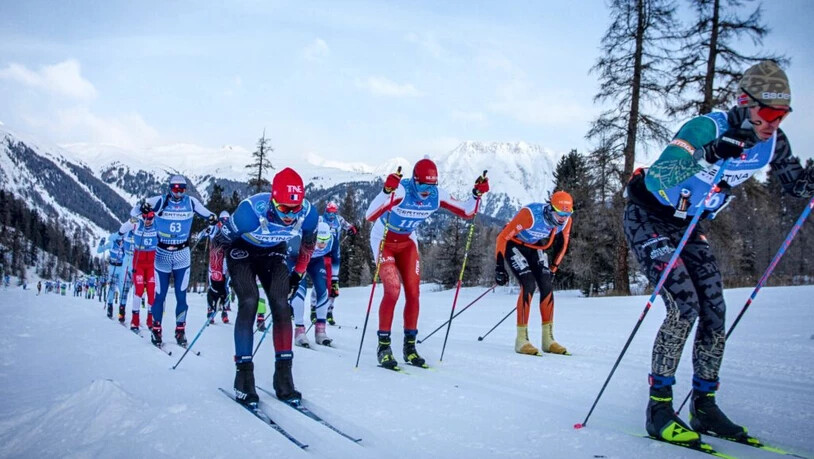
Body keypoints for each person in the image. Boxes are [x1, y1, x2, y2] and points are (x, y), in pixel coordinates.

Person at [623, 61, 814, 445]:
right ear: (745, 103)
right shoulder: (706, 127)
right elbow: (660, 175)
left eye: (783, 114)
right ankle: (659, 410)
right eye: (767, 113)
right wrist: (709, 153)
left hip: (690, 223)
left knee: (715, 309)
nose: (773, 122)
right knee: (684, 306)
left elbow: (796, 186)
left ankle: (704, 406)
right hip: (648, 215)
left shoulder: (775, 142)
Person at [364, 158, 489, 369]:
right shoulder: (402, 192)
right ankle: (383, 346)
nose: (426, 191)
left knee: (413, 293)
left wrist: (477, 194)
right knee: (393, 290)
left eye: (431, 186)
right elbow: (369, 216)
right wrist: (386, 191)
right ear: (414, 181)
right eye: (422, 185)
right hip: (383, 239)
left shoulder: (436, 195)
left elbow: (467, 212)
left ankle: (410, 348)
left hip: (407, 242)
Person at [215, 167, 318, 405]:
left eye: (296, 209)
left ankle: (283, 377)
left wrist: (299, 274)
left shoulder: (309, 213)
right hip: (242, 250)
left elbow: (308, 243)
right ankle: (243, 377)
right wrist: (216, 281)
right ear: (273, 201)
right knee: (249, 301)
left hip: (273, 252)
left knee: (282, 305)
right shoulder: (249, 213)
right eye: (283, 209)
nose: (290, 216)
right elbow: (219, 243)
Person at [132, 175, 215, 347]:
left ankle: (180, 330)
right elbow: (134, 212)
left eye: (182, 189)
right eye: (175, 188)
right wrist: (142, 207)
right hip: (162, 254)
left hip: (182, 255)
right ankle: (156, 329)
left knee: (181, 296)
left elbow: (208, 214)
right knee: (159, 296)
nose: (178, 193)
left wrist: (213, 218)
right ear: (169, 188)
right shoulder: (160, 201)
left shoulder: (191, 202)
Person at [494, 191, 573, 356]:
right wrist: (499, 267)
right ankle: (521, 340)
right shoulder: (530, 215)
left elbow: (563, 245)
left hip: (534, 246)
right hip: (513, 244)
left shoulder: (566, 222)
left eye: (567, 214)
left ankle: (548, 340)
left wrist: (554, 268)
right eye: (560, 214)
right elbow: (502, 237)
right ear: (551, 208)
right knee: (528, 283)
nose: (562, 218)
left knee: (546, 284)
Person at [290, 220, 337, 347]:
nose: (322, 244)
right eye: (320, 240)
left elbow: (336, 259)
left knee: (323, 290)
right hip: (297, 259)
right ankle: (299, 331)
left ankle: (320, 331)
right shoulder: (302, 237)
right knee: (300, 291)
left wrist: (335, 280)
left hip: (315, 262)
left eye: (325, 240)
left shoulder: (332, 240)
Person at [119, 204, 159, 331]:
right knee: (139, 291)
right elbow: (123, 228)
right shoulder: (137, 222)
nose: (148, 221)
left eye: (150, 218)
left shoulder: (157, 223)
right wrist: (139, 211)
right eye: (145, 217)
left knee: (152, 292)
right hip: (139, 264)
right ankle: (135, 321)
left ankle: (150, 321)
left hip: (152, 264)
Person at [318, 202, 357, 325]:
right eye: (329, 212)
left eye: (333, 213)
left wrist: (352, 230)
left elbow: (349, 227)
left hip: (334, 253)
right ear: (326, 211)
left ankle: (329, 311)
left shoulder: (339, 220)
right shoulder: (320, 219)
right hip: (321, 253)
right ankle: (315, 309)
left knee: (334, 285)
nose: (331, 215)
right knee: (320, 282)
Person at [204, 210, 231, 324]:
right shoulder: (215, 228)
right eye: (222, 220)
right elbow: (204, 234)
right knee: (213, 286)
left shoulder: (231, 229)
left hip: (226, 260)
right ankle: (210, 310)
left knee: (226, 285)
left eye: (227, 220)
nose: (224, 222)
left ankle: (224, 310)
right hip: (214, 261)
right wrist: (209, 227)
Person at [97, 235, 126, 319]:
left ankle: (121, 313)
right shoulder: (111, 244)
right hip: (112, 267)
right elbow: (99, 250)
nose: (120, 242)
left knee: (122, 289)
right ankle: (110, 310)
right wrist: (101, 243)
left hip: (121, 269)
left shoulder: (125, 244)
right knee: (111, 289)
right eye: (119, 241)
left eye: (122, 241)